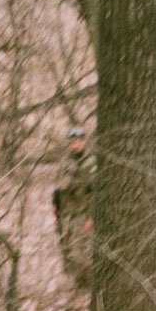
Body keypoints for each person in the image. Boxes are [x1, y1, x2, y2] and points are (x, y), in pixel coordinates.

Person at [52, 125, 94, 291]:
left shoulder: (90, 163)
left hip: (81, 213)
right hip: (65, 214)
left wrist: (92, 216)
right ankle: (78, 284)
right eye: (72, 142)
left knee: (82, 251)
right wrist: (54, 205)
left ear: (83, 142)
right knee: (68, 250)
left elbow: (94, 192)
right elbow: (57, 186)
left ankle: (89, 286)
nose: (75, 145)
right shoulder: (65, 162)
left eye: (78, 141)